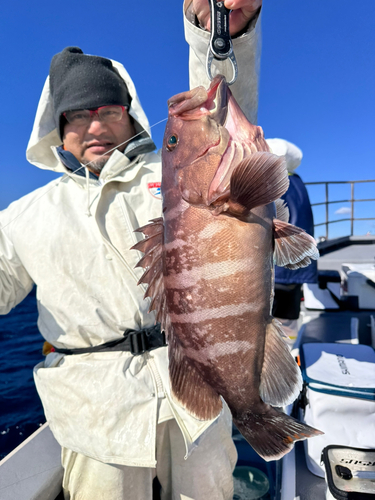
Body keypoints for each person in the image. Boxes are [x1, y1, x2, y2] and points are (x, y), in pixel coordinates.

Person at [0, 1, 263, 499]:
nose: (94, 126)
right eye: (77, 115)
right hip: (94, 410)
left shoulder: (175, 170)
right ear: (56, 127)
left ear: (130, 115)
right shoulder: (20, 216)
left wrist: (221, 34)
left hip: (197, 391)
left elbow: (224, 124)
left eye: (108, 111)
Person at [267, 138, 318, 347]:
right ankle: (290, 357)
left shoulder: (269, 181)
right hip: (297, 267)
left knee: (266, 324)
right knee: (289, 322)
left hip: (275, 267)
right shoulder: (298, 182)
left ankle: (270, 365)